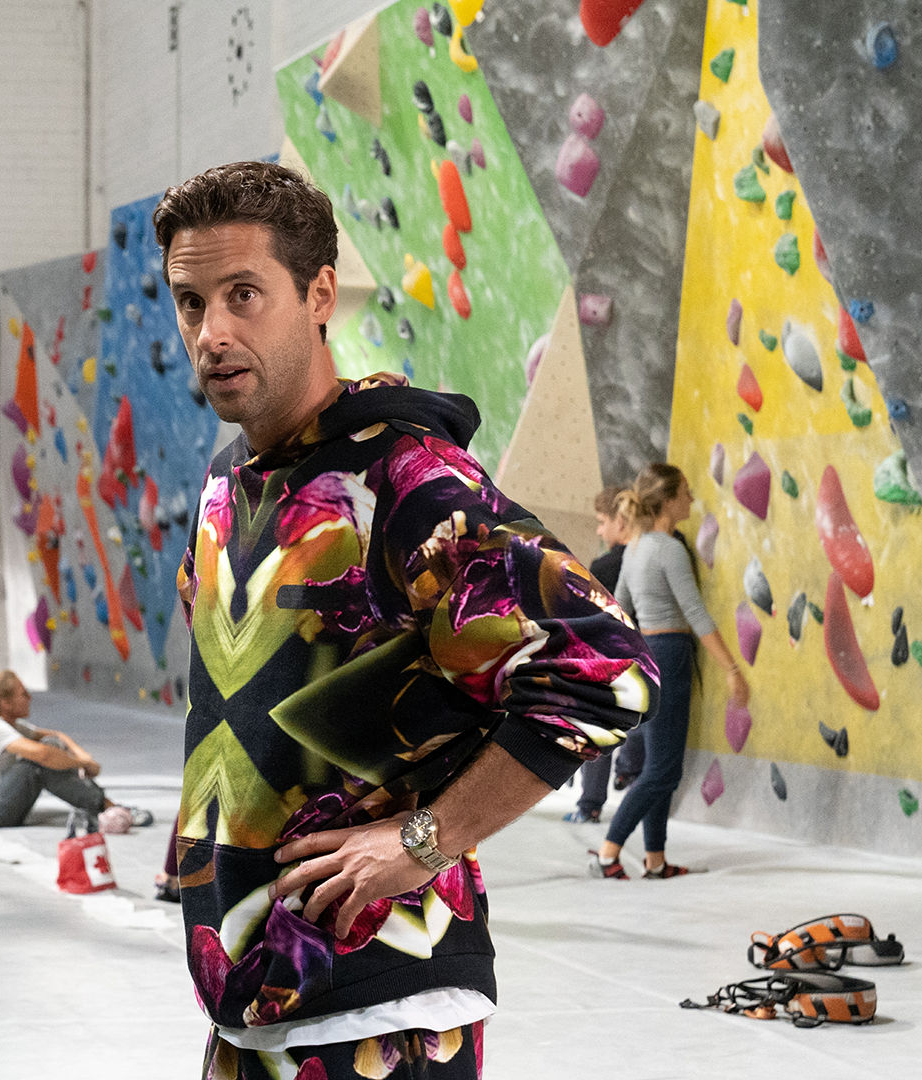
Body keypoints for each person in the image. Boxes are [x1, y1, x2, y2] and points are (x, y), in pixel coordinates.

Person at [157, 161, 654, 1079]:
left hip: (381, 1013)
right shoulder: (229, 482)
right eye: (191, 302)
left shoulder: (407, 478)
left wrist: (425, 839)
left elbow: (605, 665)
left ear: (319, 295)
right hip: (256, 999)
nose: (212, 332)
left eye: (243, 295)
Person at [593, 464, 750, 880]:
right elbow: (696, 615)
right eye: (685, 492)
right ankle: (608, 853)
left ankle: (655, 860)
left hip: (647, 656)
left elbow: (619, 609)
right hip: (670, 654)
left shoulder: (635, 548)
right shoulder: (669, 548)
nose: (691, 499)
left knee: (657, 765)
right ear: (666, 501)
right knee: (664, 770)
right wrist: (732, 668)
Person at [0, 669, 154, 829]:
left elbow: (55, 737)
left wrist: (85, 759)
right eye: (23, 694)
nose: (29, 698)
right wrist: (81, 763)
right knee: (38, 763)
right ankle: (106, 807)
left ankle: (105, 805)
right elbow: (42, 755)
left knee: (51, 747)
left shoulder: (12, 726)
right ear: (5, 703)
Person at [565, 484, 643, 823]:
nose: (599, 530)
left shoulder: (607, 564)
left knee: (598, 723)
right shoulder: (650, 551)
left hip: (610, 654)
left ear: (620, 521)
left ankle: (590, 804)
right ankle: (630, 774)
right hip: (649, 652)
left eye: (602, 521)